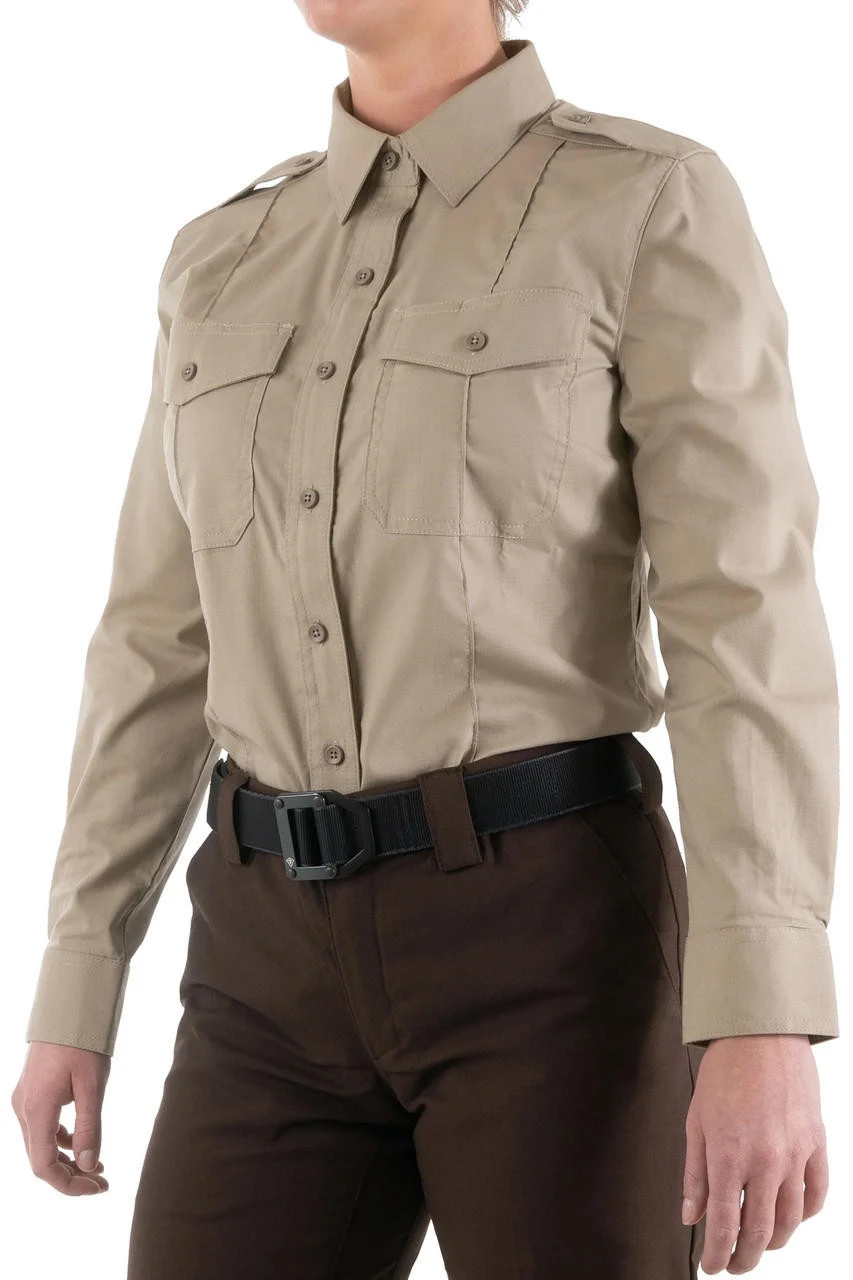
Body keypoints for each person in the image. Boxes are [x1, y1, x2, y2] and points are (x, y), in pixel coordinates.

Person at [12, 1, 839, 1277]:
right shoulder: (223, 253)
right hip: (260, 953)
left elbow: (743, 618)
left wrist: (761, 1014)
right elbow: (155, 642)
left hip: (551, 939)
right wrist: (79, 975)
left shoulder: (641, 204)